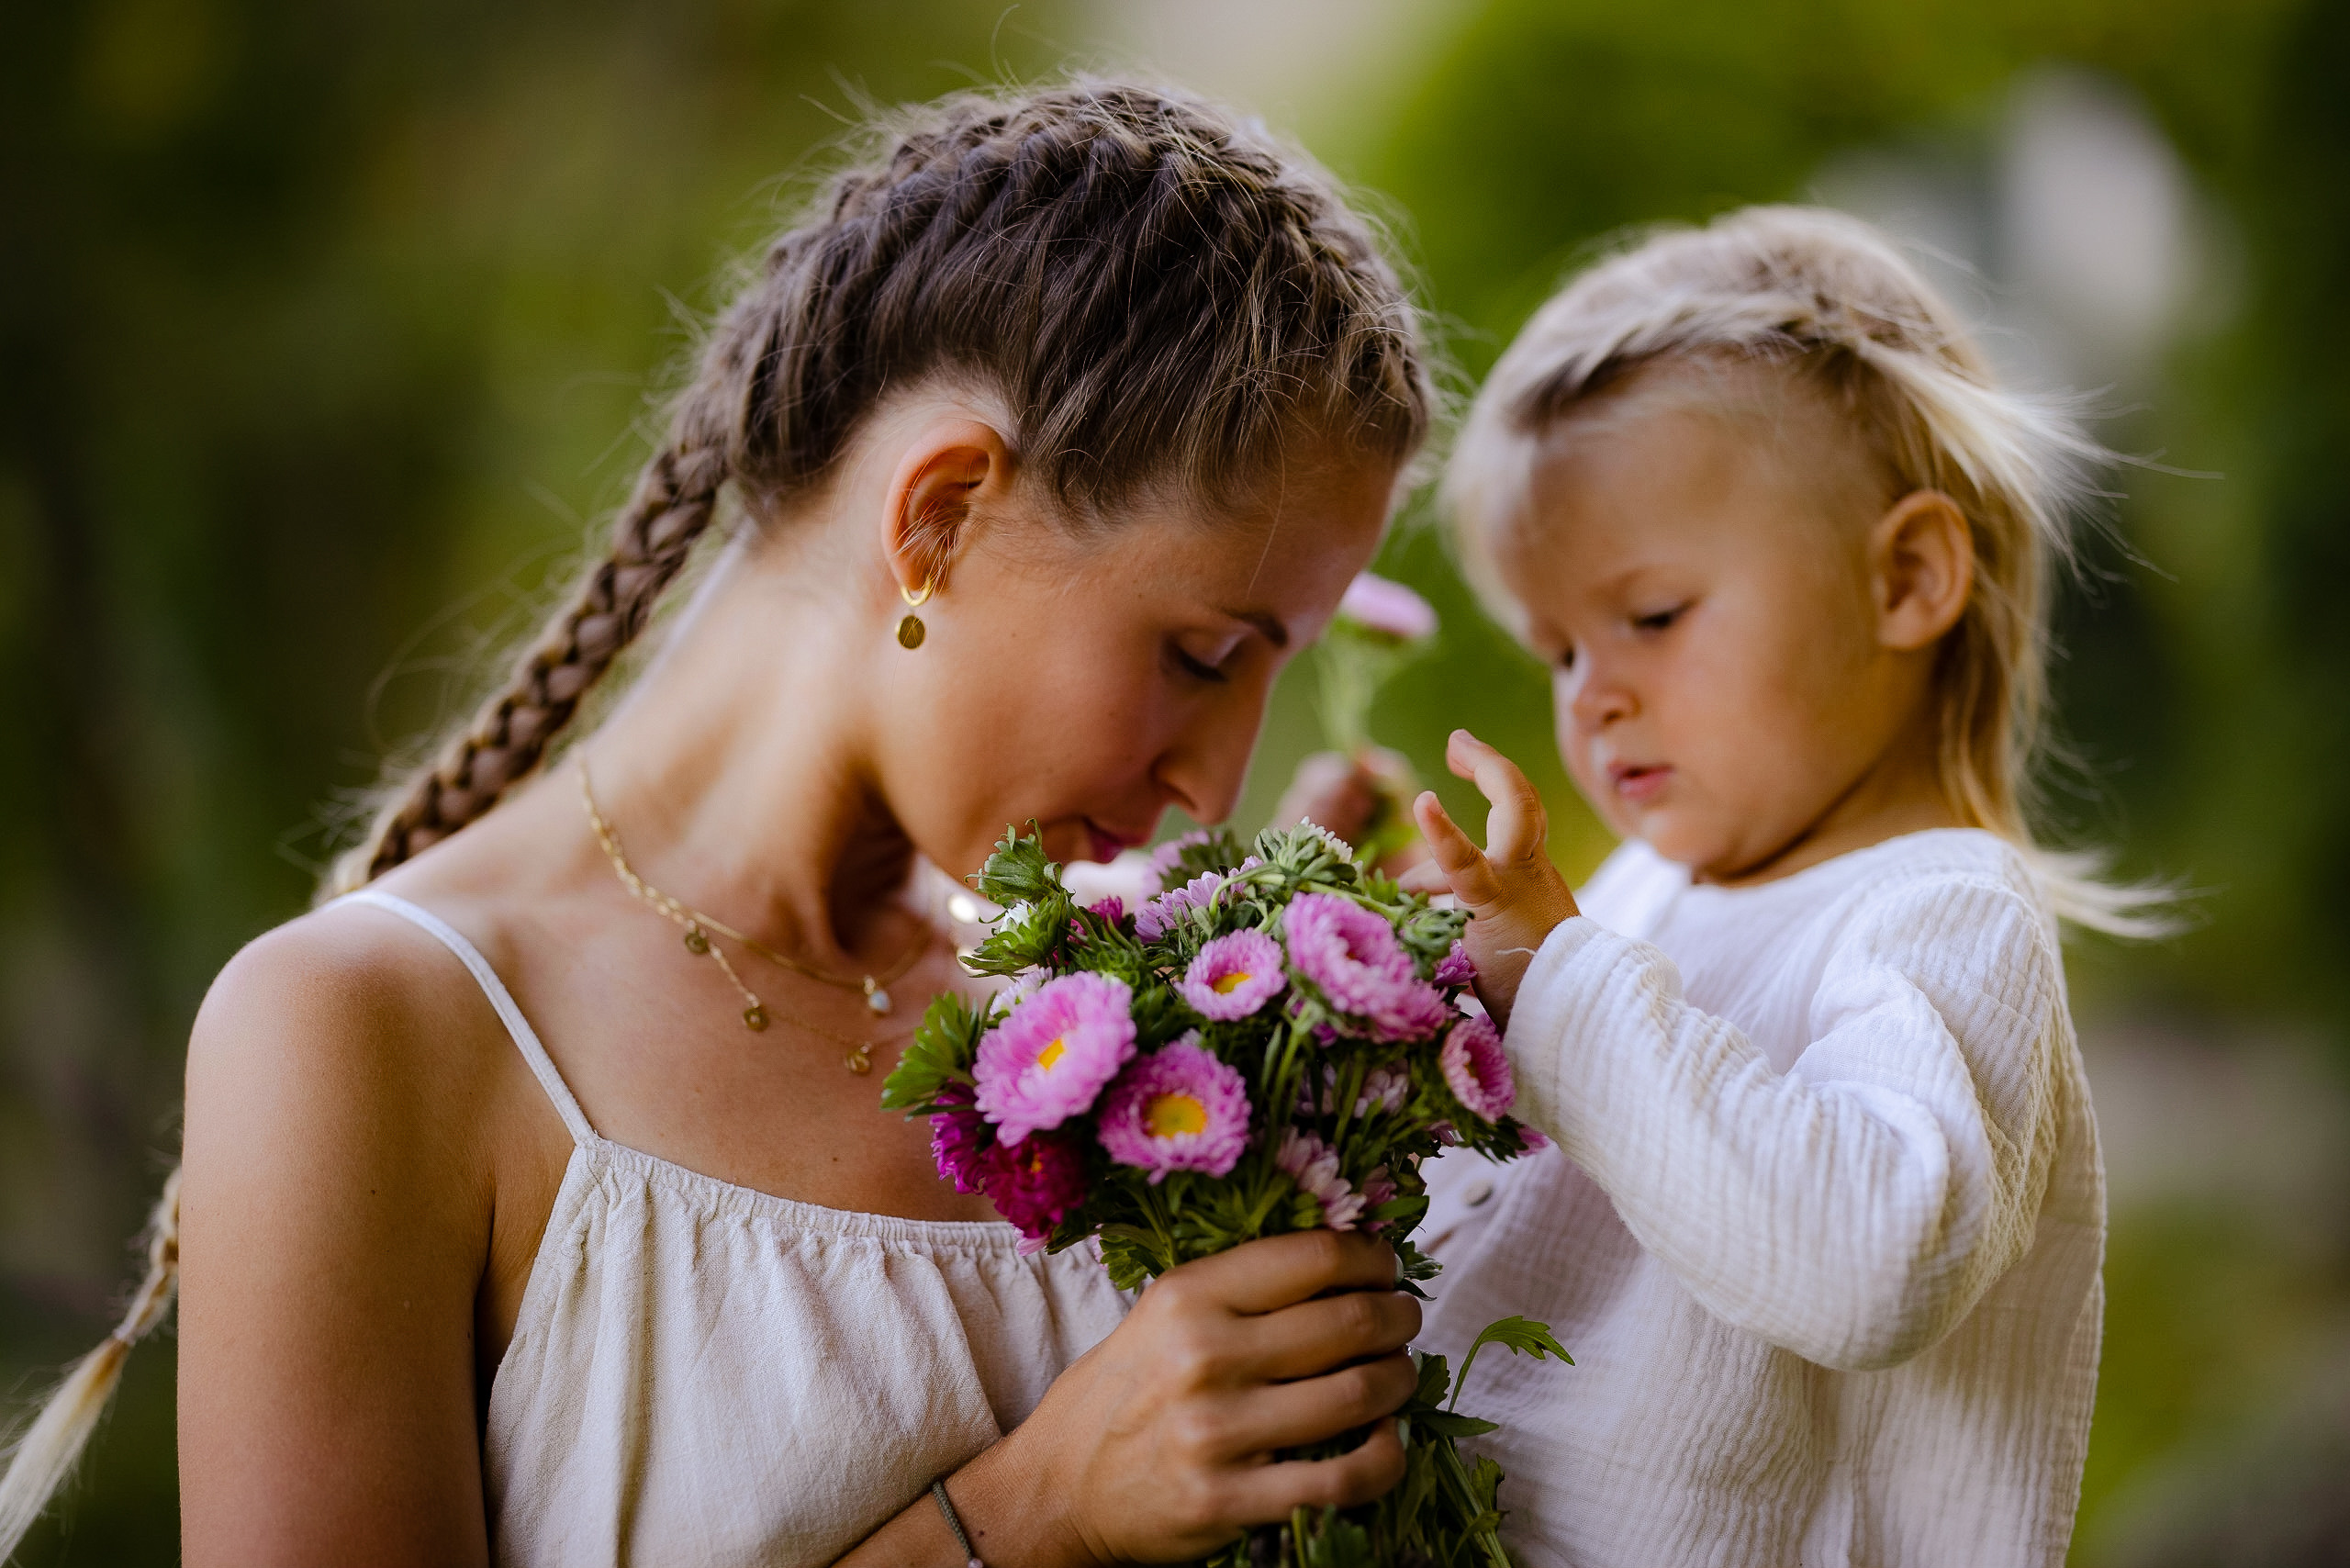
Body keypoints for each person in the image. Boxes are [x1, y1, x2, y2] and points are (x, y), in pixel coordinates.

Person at [0, 83, 1438, 1568]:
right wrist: (1034, 1516)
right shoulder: (380, 1030)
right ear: (940, 514)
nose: (1218, 780)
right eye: (1202, 655)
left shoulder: (1101, 1018)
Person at [1326, 206, 2165, 1567]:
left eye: (1650, 617)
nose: (1595, 698)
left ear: (1906, 578)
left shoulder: (1943, 915)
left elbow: (1864, 1264)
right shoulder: (1661, 884)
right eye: (1557, 650)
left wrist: (1561, 983)